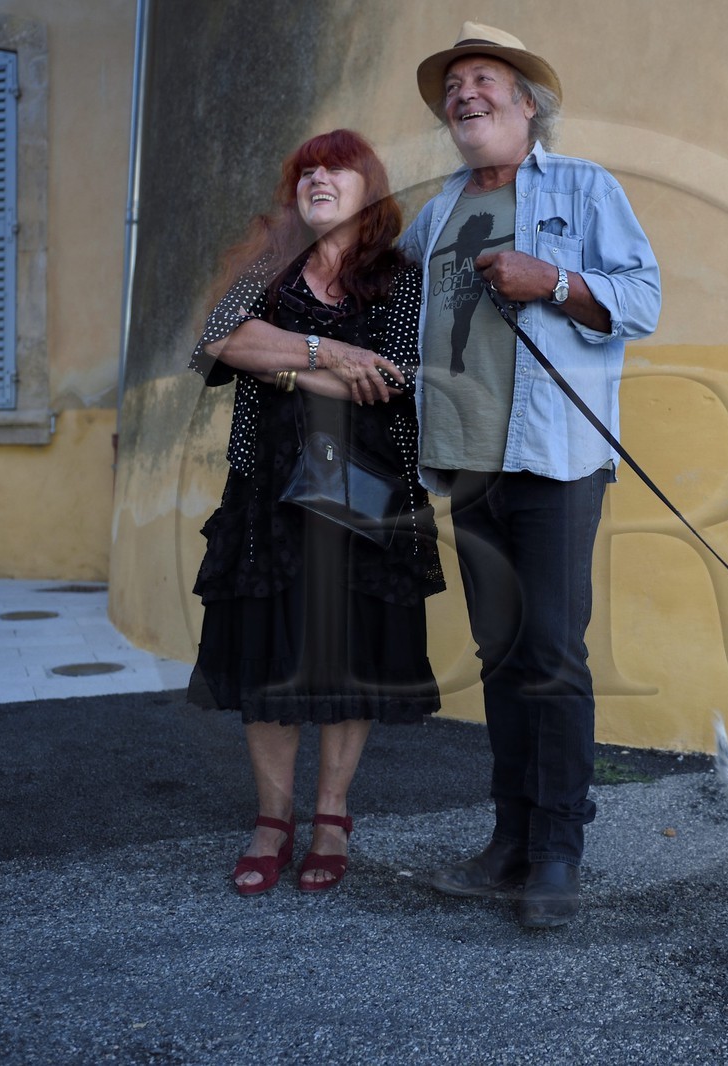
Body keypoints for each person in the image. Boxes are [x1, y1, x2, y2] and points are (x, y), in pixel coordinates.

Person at [404, 24, 661, 927]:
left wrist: (551, 280)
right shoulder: (434, 212)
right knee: (503, 655)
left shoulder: (585, 187)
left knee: (552, 654)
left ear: (525, 104)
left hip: (553, 461)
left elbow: (643, 298)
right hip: (467, 463)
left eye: (484, 80)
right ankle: (509, 838)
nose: (465, 94)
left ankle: (558, 851)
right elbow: (402, 316)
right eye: (454, 86)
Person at [187, 129, 444, 895]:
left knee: (350, 654)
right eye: (306, 170)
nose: (318, 177)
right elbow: (219, 343)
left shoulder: (399, 277)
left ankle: (331, 815)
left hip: (366, 490)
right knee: (268, 653)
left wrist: (285, 358)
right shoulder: (269, 263)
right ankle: (273, 820)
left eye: (336, 167)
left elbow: (391, 380)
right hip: (268, 493)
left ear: (370, 188)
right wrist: (327, 355)